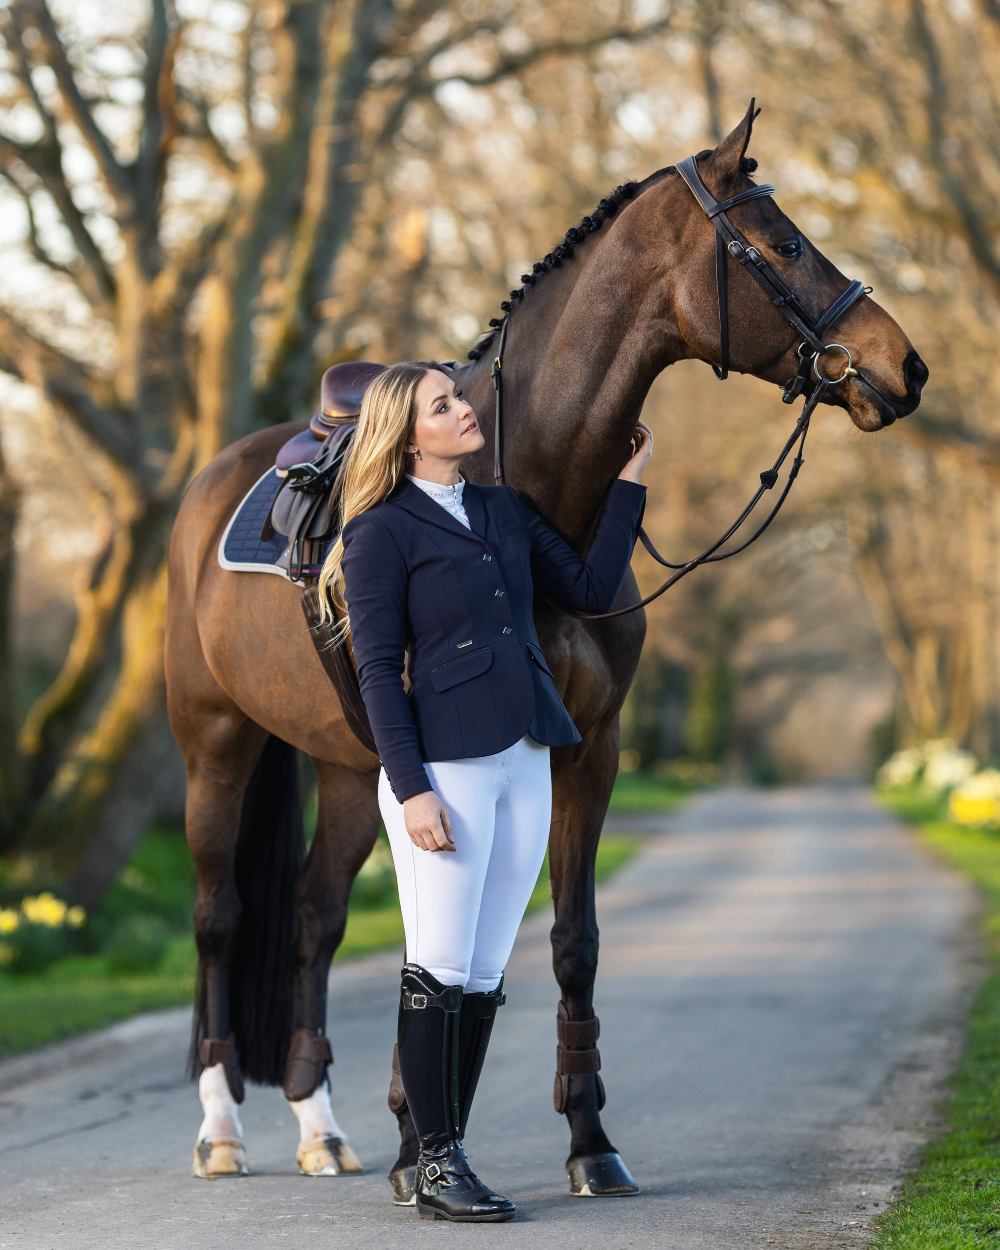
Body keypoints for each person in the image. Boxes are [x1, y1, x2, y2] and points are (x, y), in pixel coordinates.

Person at [317, 359, 652, 1222]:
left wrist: (628, 489)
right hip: (446, 771)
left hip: (524, 758)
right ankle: (435, 1162)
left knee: (485, 971)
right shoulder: (379, 533)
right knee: (439, 962)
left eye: (457, 398)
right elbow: (381, 677)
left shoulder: (501, 510)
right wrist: (411, 788)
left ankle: (445, 1151)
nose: (464, 410)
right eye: (443, 404)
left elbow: (585, 591)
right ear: (407, 431)